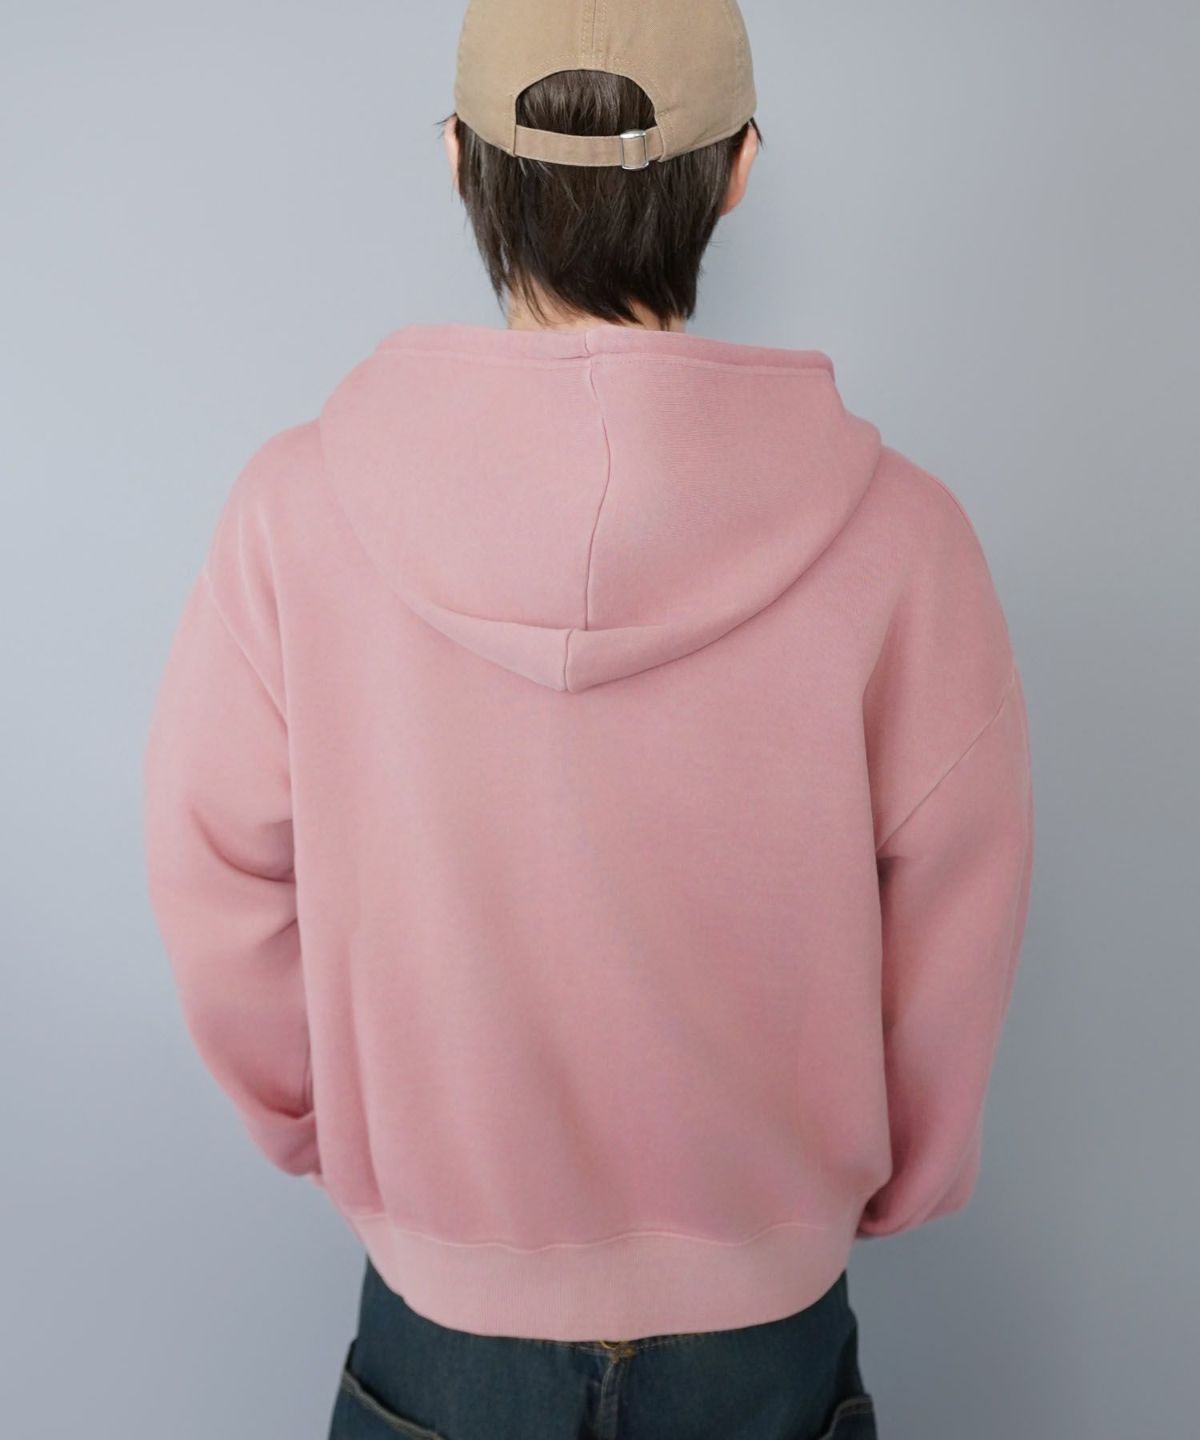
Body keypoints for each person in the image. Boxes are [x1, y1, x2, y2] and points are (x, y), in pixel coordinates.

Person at [141, 1, 1035, 1436]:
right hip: (764, 1336)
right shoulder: (905, 539)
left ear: (457, 157)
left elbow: (214, 867)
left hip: (443, 1332)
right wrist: (882, 1178)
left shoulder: (291, 515)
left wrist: (332, 1127)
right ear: (738, 170)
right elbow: (957, 898)